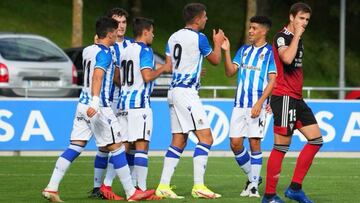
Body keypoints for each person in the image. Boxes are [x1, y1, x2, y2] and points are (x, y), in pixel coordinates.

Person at [42, 16, 154, 202]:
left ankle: (52, 187)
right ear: (110, 34)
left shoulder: (88, 51)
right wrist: (96, 102)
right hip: (99, 107)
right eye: (114, 32)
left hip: (82, 105)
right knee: (118, 148)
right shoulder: (106, 54)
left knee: (75, 146)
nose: (116, 35)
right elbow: (97, 77)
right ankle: (131, 193)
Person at [155, 3, 224, 199]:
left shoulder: (173, 37)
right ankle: (199, 186)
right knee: (206, 138)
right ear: (197, 19)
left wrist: (194, 71)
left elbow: (171, 65)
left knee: (179, 140)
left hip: (174, 90)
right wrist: (217, 42)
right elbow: (216, 60)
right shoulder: (199, 38)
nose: (206, 19)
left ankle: (163, 185)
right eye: (204, 16)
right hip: (186, 93)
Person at [262, 3, 323, 203]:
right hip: (285, 97)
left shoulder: (298, 38)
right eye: (301, 18)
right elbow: (286, 59)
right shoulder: (282, 37)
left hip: (296, 98)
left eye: (306, 20)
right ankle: (269, 195)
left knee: (316, 140)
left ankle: (295, 188)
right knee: (281, 147)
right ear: (291, 17)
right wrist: (296, 34)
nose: (304, 23)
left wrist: (298, 36)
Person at [115, 16, 171, 200]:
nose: (153, 35)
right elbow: (147, 76)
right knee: (141, 145)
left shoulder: (125, 50)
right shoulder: (145, 50)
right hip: (139, 104)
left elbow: (119, 77)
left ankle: (128, 188)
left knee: (125, 147)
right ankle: (141, 189)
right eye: (152, 32)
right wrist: (163, 68)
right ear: (145, 32)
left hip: (123, 103)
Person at [221, 16, 276, 198]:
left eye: (253, 28)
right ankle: (254, 177)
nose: (250, 31)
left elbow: (272, 80)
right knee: (235, 143)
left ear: (264, 30)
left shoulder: (270, 53)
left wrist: (260, 103)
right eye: (250, 28)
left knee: (254, 143)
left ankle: (253, 186)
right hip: (239, 104)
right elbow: (230, 72)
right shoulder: (243, 50)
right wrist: (227, 52)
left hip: (256, 105)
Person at [89, 8, 136, 200]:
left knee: (128, 143)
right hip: (110, 101)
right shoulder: (104, 47)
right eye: (117, 22)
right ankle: (99, 186)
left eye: (124, 22)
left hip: (127, 101)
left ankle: (129, 184)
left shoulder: (132, 44)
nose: (121, 26)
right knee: (108, 145)